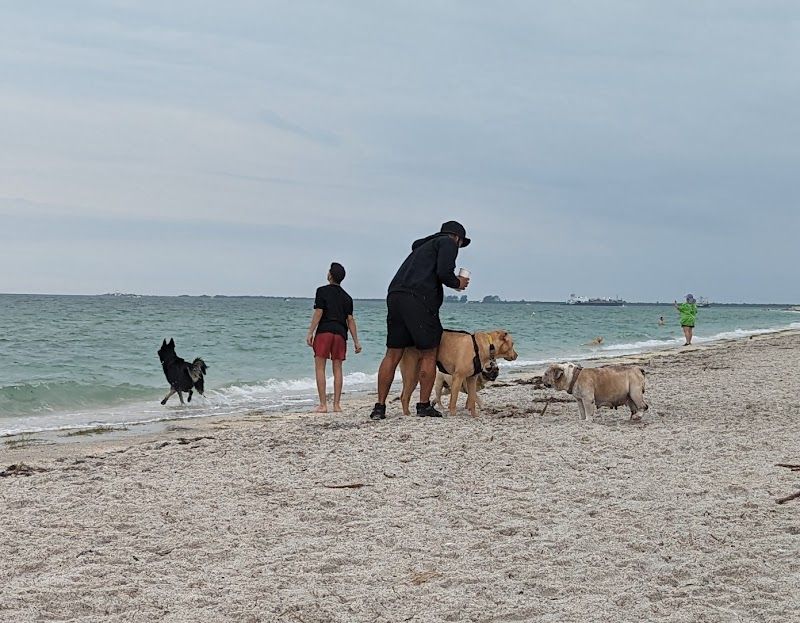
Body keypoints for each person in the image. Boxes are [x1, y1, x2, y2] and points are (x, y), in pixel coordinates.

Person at [369, 221, 471, 420]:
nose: (458, 248)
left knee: (392, 353)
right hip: (419, 299)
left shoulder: (422, 248)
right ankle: (423, 405)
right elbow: (444, 273)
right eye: (460, 244)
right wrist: (458, 282)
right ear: (457, 238)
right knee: (429, 352)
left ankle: (379, 407)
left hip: (395, 295)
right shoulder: (448, 243)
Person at [306, 262, 362, 412]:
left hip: (324, 331)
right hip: (340, 334)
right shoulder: (347, 298)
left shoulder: (321, 291)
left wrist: (310, 331)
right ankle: (336, 405)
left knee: (320, 368)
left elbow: (319, 312)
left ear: (330, 275)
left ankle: (323, 405)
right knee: (338, 368)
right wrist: (356, 341)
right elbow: (350, 320)